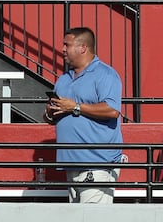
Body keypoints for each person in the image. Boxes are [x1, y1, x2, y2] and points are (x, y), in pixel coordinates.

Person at [46, 27, 124, 204]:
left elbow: (112, 110)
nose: (63, 49)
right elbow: (55, 114)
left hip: (97, 163)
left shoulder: (106, 74)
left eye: (67, 44)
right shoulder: (64, 78)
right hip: (71, 163)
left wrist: (75, 107)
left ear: (83, 48)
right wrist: (50, 113)